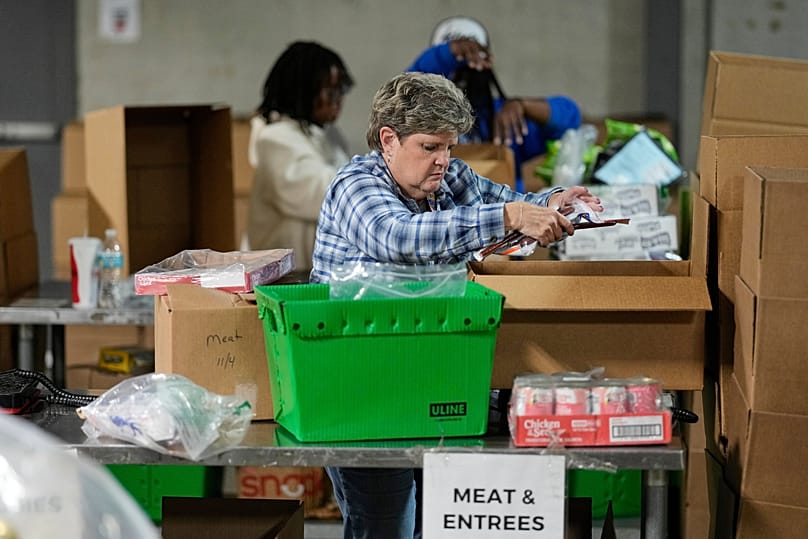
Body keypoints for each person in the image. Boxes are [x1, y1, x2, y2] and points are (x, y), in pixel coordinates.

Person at [309, 71, 602, 538]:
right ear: (389, 140)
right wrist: (511, 216)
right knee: (387, 522)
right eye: (430, 147)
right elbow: (398, 238)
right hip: (359, 390)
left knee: (440, 519)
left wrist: (554, 203)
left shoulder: (449, 180)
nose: (444, 161)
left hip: (428, 377)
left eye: (450, 147)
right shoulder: (355, 186)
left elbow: (512, 205)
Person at [407, 15, 582, 192]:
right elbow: (408, 92)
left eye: (471, 68)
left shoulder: (504, 120)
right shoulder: (418, 125)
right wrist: (447, 53)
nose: (461, 82)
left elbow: (570, 119)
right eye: (452, 70)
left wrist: (523, 106)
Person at [247, 41, 354, 269]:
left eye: (341, 90)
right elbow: (328, 193)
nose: (338, 100)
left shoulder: (326, 133)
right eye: (330, 91)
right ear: (302, 92)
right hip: (286, 278)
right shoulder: (275, 139)